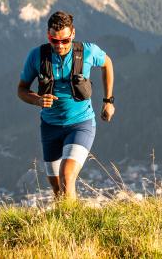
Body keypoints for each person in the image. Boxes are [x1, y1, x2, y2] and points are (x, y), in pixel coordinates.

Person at [16, 11, 115, 200]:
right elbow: (21, 90)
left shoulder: (88, 51)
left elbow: (107, 63)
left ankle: (73, 224)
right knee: (57, 190)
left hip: (81, 124)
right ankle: (64, 222)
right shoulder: (36, 56)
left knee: (67, 176)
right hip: (50, 127)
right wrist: (37, 99)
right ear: (48, 35)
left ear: (73, 34)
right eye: (54, 41)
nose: (60, 46)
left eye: (65, 41)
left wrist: (108, 101)